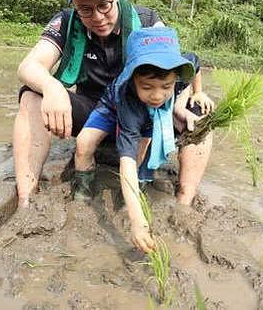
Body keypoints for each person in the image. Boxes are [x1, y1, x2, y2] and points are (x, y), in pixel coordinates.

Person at [13, 0, 213, 208]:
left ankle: (184, 202)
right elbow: (28, 66)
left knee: (202, 114)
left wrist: (181, 103)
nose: (97, 16)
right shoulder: (66, 21)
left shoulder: (148, 23)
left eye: (103, 4)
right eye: (85, 9)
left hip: (140, 113)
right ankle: (26, 198)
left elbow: (169, 73)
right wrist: (52, 87)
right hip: (94, 115)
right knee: (32, 94)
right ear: (74, 4)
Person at [75, 26, 213, 252]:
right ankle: (82, 195)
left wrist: (198, 92)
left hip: (148, 113)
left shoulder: (177, 71)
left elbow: (194, 63)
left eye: (166, 87)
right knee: (83, 145)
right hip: (112, 106)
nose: (157, 95)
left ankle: (135, 190)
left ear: (176, 76)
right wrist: (138, 223)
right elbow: (125, 163)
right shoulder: (129, 101)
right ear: (132, 79)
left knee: (142, 149)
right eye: (147, 86)